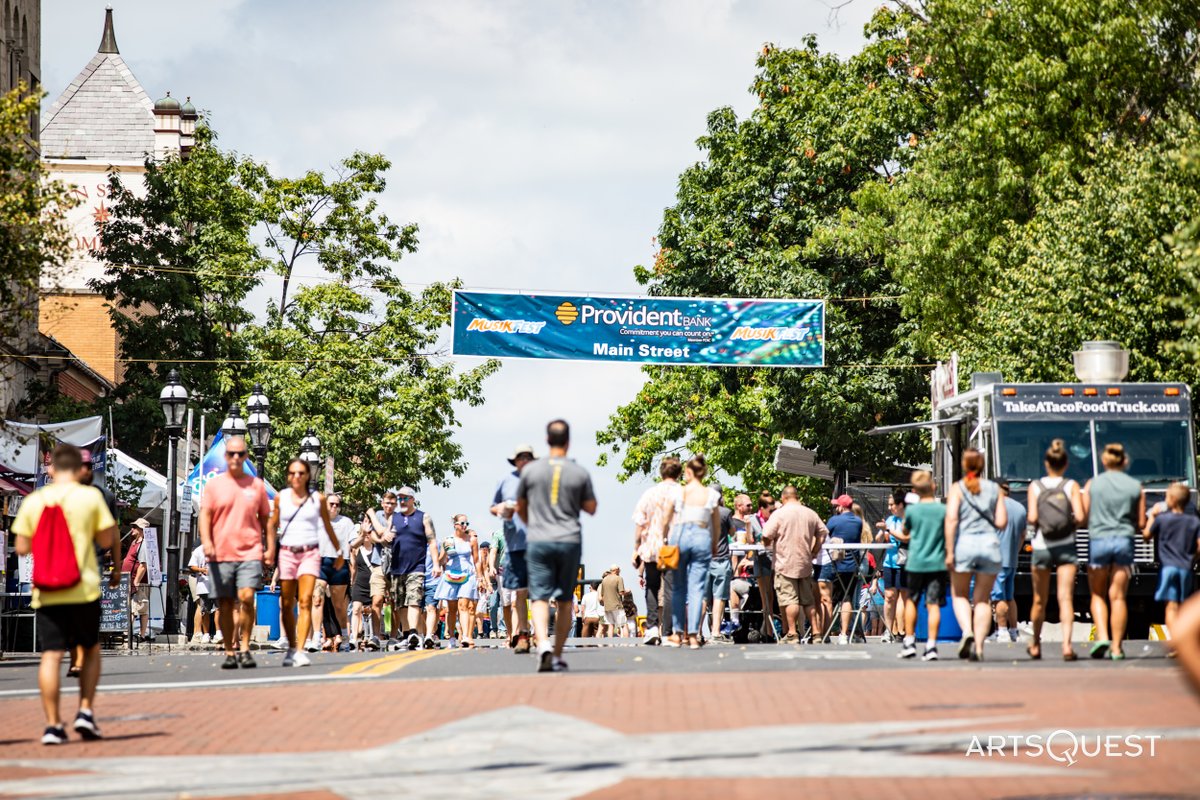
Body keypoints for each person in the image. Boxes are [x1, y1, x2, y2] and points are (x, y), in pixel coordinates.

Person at [12, 444, 119, 744]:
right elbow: (107, 539)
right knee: (91, 648)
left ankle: (52, 725)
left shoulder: (35, 500)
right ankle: (85, 710)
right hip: (83, 587)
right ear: (80, 469)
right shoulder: (91, 498)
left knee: (51, 655)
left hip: (46, 590)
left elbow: (21, 547)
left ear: (52, 469)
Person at [517, 419, 597, 672]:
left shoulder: (530, 471)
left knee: (538, 596)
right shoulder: (579, 472)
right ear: (569, 441)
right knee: (564, 599)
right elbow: (591, 508)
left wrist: (533, 523)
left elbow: (520, 506)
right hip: (569, 539)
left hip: (539, 539)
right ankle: (559, 653)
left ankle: (542, 644)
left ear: (547, 440)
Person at [199, 436, 272, 670]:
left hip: (250, 551)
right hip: (221, 553)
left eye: (241, 454)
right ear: (226, 456)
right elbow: (205, 516)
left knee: (247, 599)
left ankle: (245, 647)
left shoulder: (256, 486)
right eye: (231, 454)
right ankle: (230, 651)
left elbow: (267, 521)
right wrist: (207, 543)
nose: (236, 458)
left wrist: (269, 547)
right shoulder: (214, 486)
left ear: (247, 456)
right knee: (226, 604)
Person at [267, 458, 343, 668]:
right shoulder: (281, 498)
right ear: (288, 476)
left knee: (306, 600)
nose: (297, 477)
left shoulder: (317, 499)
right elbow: (272, 524)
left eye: (301, 473)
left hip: (310, 554)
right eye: (293, 473)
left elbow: (327, 527)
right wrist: (270, 549)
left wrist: (338, 551)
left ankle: (300, 649)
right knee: (287, 603)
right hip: (287, 554)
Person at [1082, 443, 1145, 660]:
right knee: (1118, 596)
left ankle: (1102, 637)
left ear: (1104, 461)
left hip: (1098, 541)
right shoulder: (1135, 486)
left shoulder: (1093, 484)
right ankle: (1117, 647)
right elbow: (1141, 522)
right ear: (1124, 461)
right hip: (1124, 542)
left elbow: (1083, 515)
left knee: (1098, 594)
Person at [944, 448, 1007, 662]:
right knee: (983, 600)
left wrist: (950, 551)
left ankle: (967, 632)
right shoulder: (994, 489)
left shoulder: (957, 488)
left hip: (965, 546)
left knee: (960, 595)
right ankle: (979, 646)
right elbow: (1001, 522)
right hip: (989, 546)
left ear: (964, 465)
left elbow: (951, 520)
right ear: (982, 466)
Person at [1027, 439, 1085, 661]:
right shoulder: (1071, 486)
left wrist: (1042, 524)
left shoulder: (1036, 486)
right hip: (1066, 545)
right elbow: (1080, 517)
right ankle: (1067, 646)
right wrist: (1068, 525)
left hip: (1042, 545)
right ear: (1066, 463)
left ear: (1046, 463)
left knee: (1039, 600)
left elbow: (1032, 517)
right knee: (1065, 598)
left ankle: (1035, 644)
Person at [659, 455, 720, 649]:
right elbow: (716, 524)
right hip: (702, 534)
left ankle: (677, 634)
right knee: (697, 589)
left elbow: (667, 517)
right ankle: (693, 635)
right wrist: (714, 544)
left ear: (689, 472)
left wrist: (665, 538)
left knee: (678, 587)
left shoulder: (679, 492)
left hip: (681, 534)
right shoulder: (711, 494)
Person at [761, 485, 827, 645]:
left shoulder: (779, 514)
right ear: (796, 496)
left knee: (790, 600)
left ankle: (791, 633)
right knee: (808, 601)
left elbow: (766, 535)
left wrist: (768, 543)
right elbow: (822, 533)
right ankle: (817, 633)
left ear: (783, 498)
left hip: (785, 563)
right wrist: (814, 550)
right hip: (805, 563)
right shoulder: (810, 513)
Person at [631, 456, 683, 646]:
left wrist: (636, 548)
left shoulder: (649, 493)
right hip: (673, 546)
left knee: (652, 587)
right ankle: (668, 631)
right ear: (679, 473)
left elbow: (639, 522)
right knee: (670, 589)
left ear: (661, 472)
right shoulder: (683, 494)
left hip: (651, 546)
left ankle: (652, 627)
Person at [1144, 482, 1199, 656]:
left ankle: (1175, 642)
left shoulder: (1162, 518)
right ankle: (1185, 641)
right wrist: (1193, 558)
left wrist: (1152, 515)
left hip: (1167, 567)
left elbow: (1146, 536)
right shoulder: (1194, 521)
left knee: (1171, 606)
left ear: (1172, 500)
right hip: (1185, 568)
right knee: (1184, 607)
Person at [897, 471, 948, 661]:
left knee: (912, 600)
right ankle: (932, 646)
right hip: (937, 562)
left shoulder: (912, 511)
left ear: (915, 491)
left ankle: (909, 642)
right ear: (933, 487)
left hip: (916, 562)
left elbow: (905, 530)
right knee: (933, 604)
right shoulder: (942, 510)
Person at [384, 487, 441, 650]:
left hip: (417, 566)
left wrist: (436, 564)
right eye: (400, 498)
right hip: (397, 567)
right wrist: (386, 537)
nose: (402, 501)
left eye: (405, 498)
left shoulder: (423, 517)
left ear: (412, 499)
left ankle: (415, 632)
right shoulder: (393, 518)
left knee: (414, 599)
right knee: (401, 603)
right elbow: (385, 538)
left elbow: (431, 541)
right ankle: (407, 634)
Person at [492, 445, 535, 653]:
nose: (524, 460)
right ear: (515, 460)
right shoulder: (505, 481)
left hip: (537, 543)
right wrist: (501, 509)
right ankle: (523, 634)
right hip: (514, 545)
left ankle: (538, 633)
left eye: (528, 457)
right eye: (521, 457)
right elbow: (493, 507)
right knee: (519, 592)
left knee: (539, 593)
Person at [314, 493, 355, 652]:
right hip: (320, 562)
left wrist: (364, 534)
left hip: (339, 563)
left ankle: (344, 636)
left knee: (339, 606)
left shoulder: (346, 522)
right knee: (317, 598)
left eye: (337, 504)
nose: (334, 507)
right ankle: (317, 638)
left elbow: (354, 542)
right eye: (331, 504)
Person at [825, 495, 865, 644]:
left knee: (830, 601)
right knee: (847, 598)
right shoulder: (858, 522)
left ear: (841, 507)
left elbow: (825, 535)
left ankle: (825, 632)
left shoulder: (834, 520)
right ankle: (843, 634)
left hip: (835, 564)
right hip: (852, 565)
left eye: (837, 506)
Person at [436, 514, 480, 648]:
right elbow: (441, 559)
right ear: (455, 525)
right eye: (462, 523)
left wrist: (479, 576)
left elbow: (476, 560)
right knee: (452, 608)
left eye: (467, 523)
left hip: (467, 574)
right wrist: (440, 562)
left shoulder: (471, 540)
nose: (465, 526)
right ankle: (452, 638)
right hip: (451, 574)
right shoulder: (448, 540)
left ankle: (466, 636)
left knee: (464, 604)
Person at [990, 479, 1026, 644]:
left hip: (996, 558)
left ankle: (1002, 631)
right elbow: (1023, 536)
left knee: (999, 597)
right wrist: (1015, 551)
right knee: (1010, 596)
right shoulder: (1020, 508)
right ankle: (1013, 630)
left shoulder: (994, 506)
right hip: (1012, 558)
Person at [363, 492, 397, 644]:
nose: (389, 506)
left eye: (392, 503)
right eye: (386, 503)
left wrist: (381, 536)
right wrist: (381, 538)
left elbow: (390, 536)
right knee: (376, 600)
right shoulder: (377, 515)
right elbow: (372, 536)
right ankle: (375, 635)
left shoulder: (399, 518)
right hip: (378, 564)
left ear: (395, 505)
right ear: (382, 503)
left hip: (396, 565)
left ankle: (394, 637)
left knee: (395, 602)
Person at [876, 490, 908, 643]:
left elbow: (907, 538)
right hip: (889, 563)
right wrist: (882, 531)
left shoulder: (908, 519)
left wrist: (888, 530)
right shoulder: (890, 519)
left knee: (903, 596)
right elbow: (878, 540)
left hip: (905, 562)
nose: (889, 507)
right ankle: (888, 630)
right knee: (889, 596)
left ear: (900, 505)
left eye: (892, 504)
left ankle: (902, 631)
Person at [706, 489, 735, 642]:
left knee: (703, 597)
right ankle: (715, 632)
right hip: (721, 559)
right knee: (719, 597)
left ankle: (696, 633)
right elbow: (732, 532)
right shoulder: (725, 512)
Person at [749, 491, 778, 641]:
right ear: (761, 508)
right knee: (766, 597)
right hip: (761, 561)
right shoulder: (752, 520)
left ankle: (771, 630)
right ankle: (768, 632)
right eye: (770, 510)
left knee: (774, 597)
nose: (772, 512)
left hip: (777, 560)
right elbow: (749, 542)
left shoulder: (775, 519)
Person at [121, 519, 152, 644]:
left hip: (138, 581)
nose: (132, 529)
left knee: (139, 607)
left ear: (141, 530)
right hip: (129, 579)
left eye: (135, 527)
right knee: (132, 607)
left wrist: (137, 581)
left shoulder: (143, 544)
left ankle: (136, 634)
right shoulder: (134, 542)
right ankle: (128, 633)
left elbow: (143, 565)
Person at [728, 493, 752, 633]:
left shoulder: (751, 522)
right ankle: (734, 621)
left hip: (751, 570)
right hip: (737, 572)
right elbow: (733, 549)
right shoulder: (732, 523)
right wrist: (736, 573)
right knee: (734, 586)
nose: (751, 507)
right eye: (748, 505)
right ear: (738, 506)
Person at [349, 527, 375, 649]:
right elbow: (353, 566)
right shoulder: (356, 550)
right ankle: (354, 637)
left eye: (369, 533)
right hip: (359, 583)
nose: (367, 535)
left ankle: (371, 636)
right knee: (356, 609)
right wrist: (352, 581)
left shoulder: (377, 550)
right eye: (364, 533)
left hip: (373, 582)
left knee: (372, 611)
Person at [187, 542, 214, 645]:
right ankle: (200, 633)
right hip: (203, 584)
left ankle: (218, 633)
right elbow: (192, 565)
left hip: (217, 584)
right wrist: (201, 570)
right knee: (203, 608)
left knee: (218, 609)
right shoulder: (199, 548)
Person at [600, 565, 626, 637]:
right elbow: (621, 592)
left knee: (611, 626)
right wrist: (627, 592)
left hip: (607, 607)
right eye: (619, 569)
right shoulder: (619, 578)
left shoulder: (604, 580)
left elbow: (602, 594)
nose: (620, 571)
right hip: (617, 605)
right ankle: (626, 643)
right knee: (624, 625)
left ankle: (610, 644)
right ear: (616, 570)